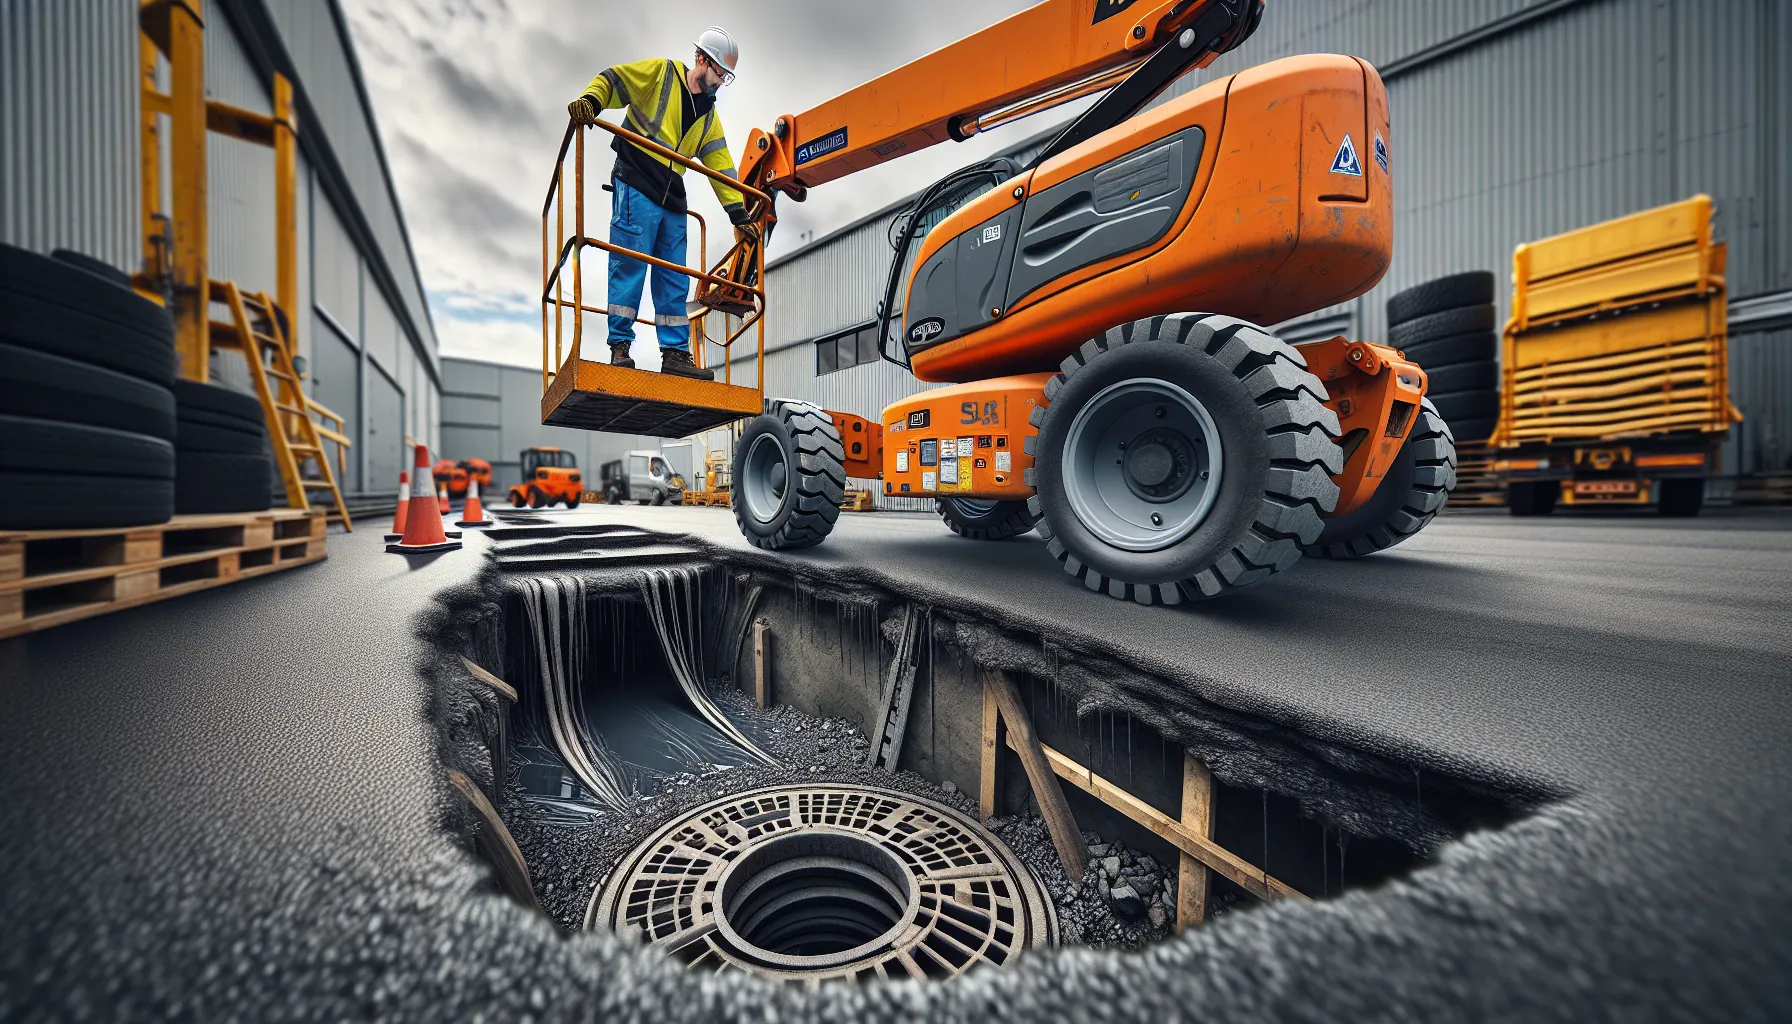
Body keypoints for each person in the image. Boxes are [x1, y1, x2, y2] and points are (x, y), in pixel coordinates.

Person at [567, 26, 758, 381]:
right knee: (629, 265)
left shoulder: (709, 117)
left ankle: (675, 355)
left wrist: (738, 212)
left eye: (726, 77)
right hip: (637, 178)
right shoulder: (662, 75)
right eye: (720, 73)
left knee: (674, 279)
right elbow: (614, 79)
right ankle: (620, 348)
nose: (721, 82)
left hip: (672, 197)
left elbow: (721, 164)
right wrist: (591, 101)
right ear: (701, 59)